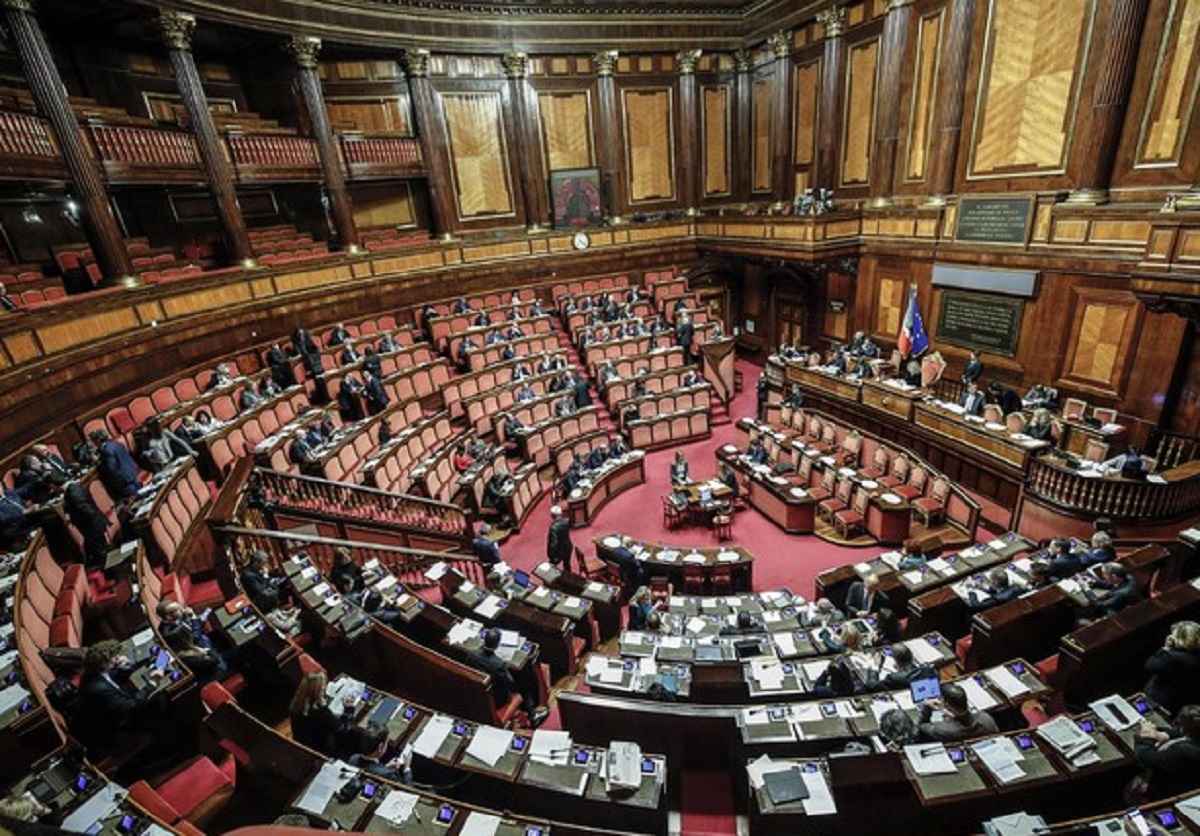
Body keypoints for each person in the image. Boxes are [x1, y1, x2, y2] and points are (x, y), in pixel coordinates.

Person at [73, 639, 171, 764]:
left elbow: (115, 676)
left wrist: (134, 664)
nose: (118, 658)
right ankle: (159, 758)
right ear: (104, 663)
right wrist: (152, 683)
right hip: (112, 733)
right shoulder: (98, 688)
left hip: (111, 717)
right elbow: (130, 706)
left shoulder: (95, 673)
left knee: (152, 704)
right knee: (159, 718)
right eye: (115, 657)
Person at [468, 629, 548, 725]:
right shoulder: (498, 664)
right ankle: (533, 716)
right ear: (497, 645)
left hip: (480, 690)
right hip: (499, 699)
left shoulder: (472, 654)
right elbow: (510, 683)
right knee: (524, 686)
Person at [1132, 705, 1200, 801]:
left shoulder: (1183, 751)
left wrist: (1144, 737)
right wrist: (1165, 734)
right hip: (1190, 780)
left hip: (1171, 790)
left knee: (1130, 789)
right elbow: (1183, 731)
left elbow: (1145, 757)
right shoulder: (1194, 737)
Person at [49, 474, 109, 567]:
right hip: (95, 524)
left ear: (53, 485)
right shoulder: (74, 486)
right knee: (96, 551)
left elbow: (85, 510)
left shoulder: (72, 494)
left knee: (101, 553)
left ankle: (113, 573)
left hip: (92, 527)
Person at [1143, 621, 1200, 716]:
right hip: (1182, 701)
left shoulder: (1175, 658)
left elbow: (1150, 665)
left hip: (1161, 701)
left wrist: (1166, 648)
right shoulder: (1194, 655)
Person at [288, 671, 350, 757]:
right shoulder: (320, 711)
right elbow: (341, 729)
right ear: (319, 690)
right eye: (324, 686)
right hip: (323, 750)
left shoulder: (295, 704)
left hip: (303, 746)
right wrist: (348, 711)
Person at [917, 682, 999, 742]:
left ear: (946, 703)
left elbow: (922, 725)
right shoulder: (986, 718)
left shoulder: (943, 729)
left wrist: (926, 706)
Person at [160, 620, 227, 685]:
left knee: (217, 634)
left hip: (208, 666)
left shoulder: (179, 648)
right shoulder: (190, 658)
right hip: (214, 676)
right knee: (236, 652)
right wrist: (209, 650)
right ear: (185, 637)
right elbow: (214, 660)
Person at [346, 721, 412, 784]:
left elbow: (370, 770)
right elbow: (406, 788)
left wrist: (385, 767)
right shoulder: (388, 774)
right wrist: (407, 768)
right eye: (386, 742)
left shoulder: (354, 758)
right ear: (380, 747)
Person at [90, 428, 142, 502]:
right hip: (132, 474)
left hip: (124, 481)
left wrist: (98, 463)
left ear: (97, 441)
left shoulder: (106, 450)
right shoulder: (116, 443)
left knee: (136, 499)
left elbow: (111, 468)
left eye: (93, 441)